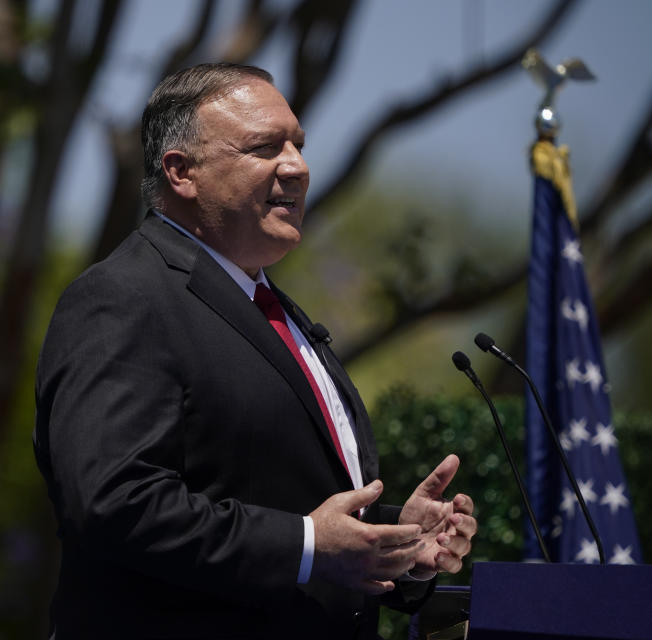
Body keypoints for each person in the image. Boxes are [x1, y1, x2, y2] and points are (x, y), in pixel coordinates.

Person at [33, 62, 476, 639]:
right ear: (181, 172)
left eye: (298, 145)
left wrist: (392, 543)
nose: (297, 166)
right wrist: (309, 544)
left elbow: (276, 500)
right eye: (264, 147)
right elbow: (114, 503)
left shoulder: (273, 309)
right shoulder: (123, 297)